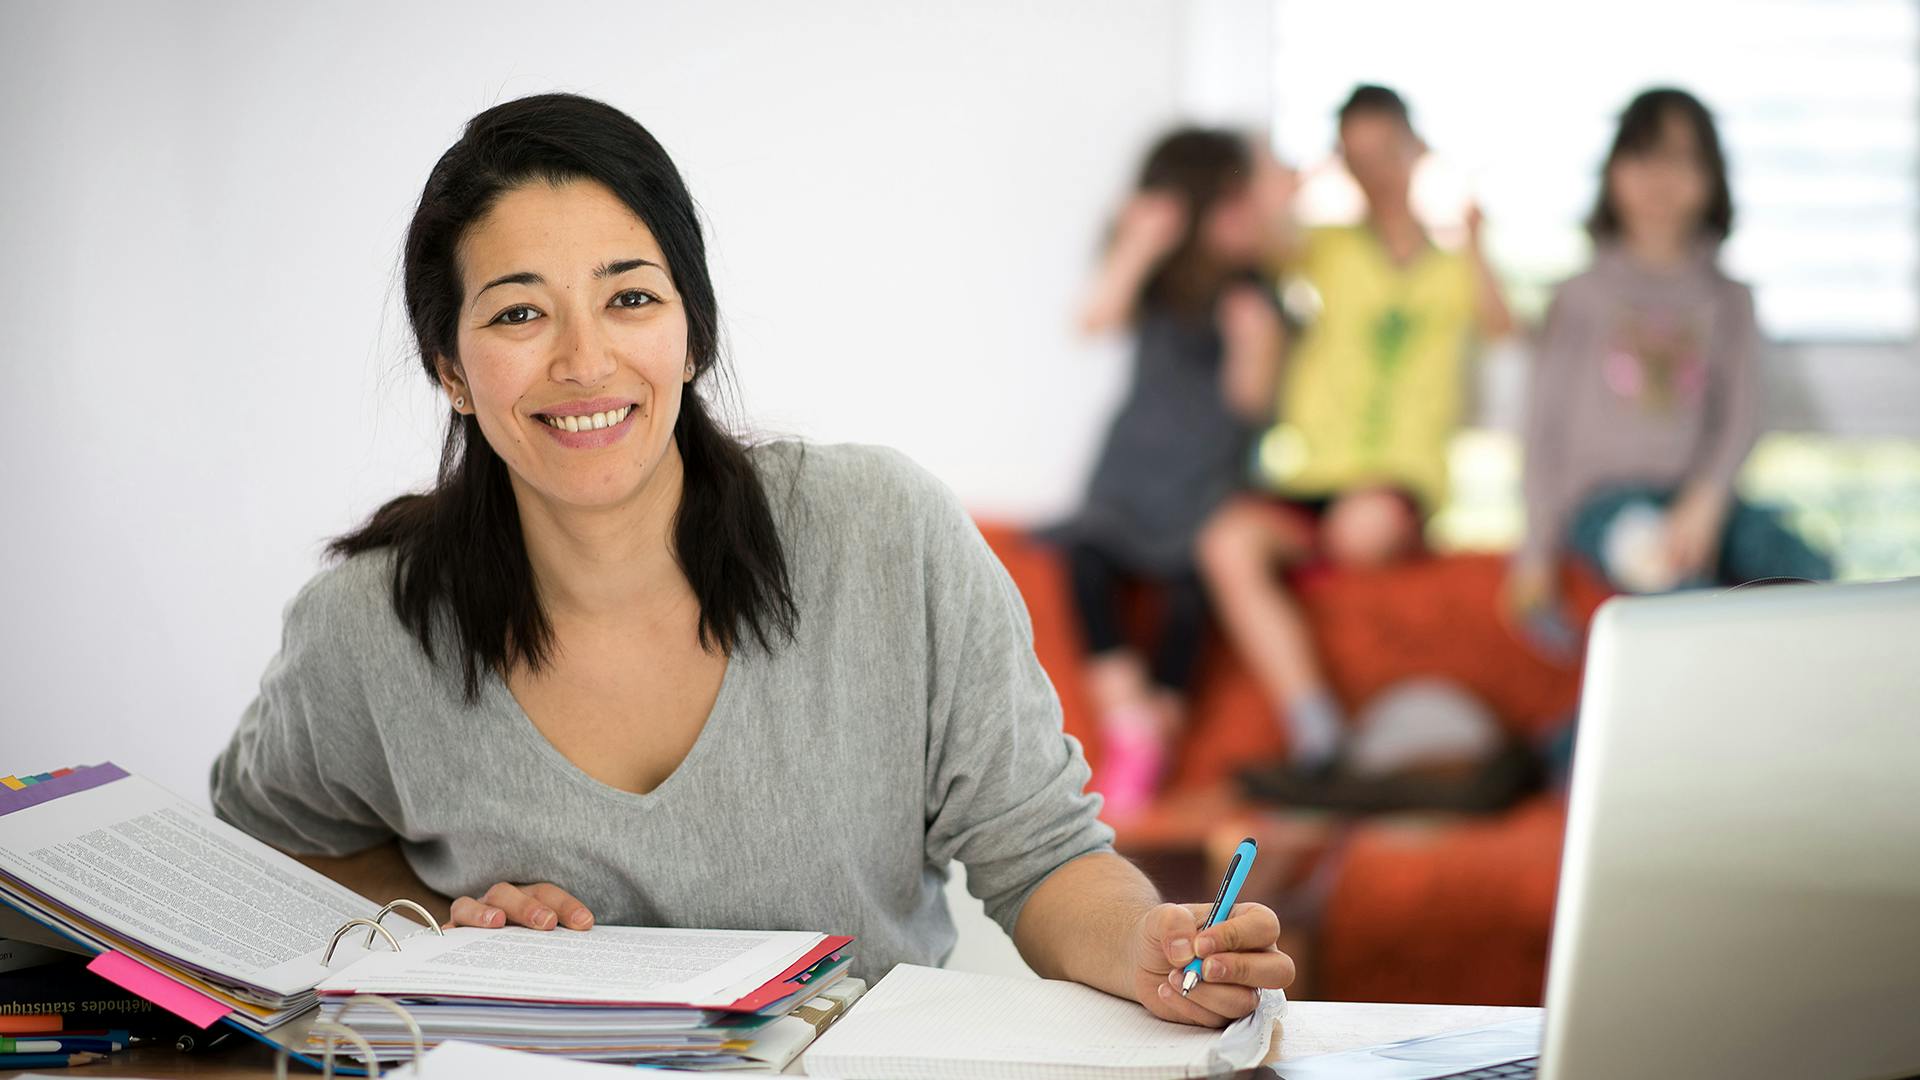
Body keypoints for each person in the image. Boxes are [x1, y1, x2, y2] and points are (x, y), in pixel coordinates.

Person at [207, 93, 1292, 1027]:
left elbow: (1043, 855)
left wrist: (1149, 945)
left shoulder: (884, 532)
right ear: (450, 365)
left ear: (693, 332)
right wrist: (436, 924)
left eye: (630, 297)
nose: (584, 362)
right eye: (520, 312)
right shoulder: (368, 625)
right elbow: (264, 851)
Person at [1197, 85, 1513, 771]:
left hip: (1398, 481)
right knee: (1226, 541)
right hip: (1316, 474)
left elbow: (1501, 326)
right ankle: (1316, 726)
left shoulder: (1457, 261)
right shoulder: (1329, 248)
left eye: (1386, 152)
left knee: (1359, 530)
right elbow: (1253, 236)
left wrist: (1466, 214)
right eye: (1357, 156)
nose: (1375, 171)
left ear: (1415, 148)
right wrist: (1317, 169)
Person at [1506, 88, 1830, 619]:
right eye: (1642, 154)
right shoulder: (1579, 295)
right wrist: (1535, 550)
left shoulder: (1729, 299)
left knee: (1798, 563)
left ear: (1712, 178)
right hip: (1601, 506)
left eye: (1681, 157)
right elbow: (1541, 431)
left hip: (1699, 495)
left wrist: (1705, 503)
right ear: (1613, 172)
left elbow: (1741, 417)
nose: (1659, 176)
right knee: (1660, 564)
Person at [1055, 129, 1285, 819]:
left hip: (1202, 486)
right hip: (1127, 479)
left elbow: (1254, 404)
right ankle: (1131, 723)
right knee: (1085, 559)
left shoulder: (1256, 295)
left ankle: (1162, 718)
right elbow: (1092, 320)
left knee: (1193, 589)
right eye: (1237, 202)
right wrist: (1138, 245)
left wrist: (1255, 346)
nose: (1253, 215)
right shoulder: (1156, 278)